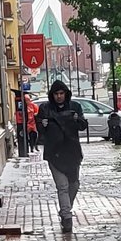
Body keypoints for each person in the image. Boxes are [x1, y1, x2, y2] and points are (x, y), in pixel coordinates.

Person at [35, 80, 88, 231]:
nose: (59, 96)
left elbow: (83, 125)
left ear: (66, 94)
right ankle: (66, 217)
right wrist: (42, 125)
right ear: (52, 95)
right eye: (56, 94)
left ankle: (65, 209)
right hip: (54, 153)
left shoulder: (74, 107)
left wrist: (77, 119)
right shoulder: (45, 108)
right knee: (62, 186)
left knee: (74, 185)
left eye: (61, 93)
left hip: (72, 153)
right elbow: (39, 127)